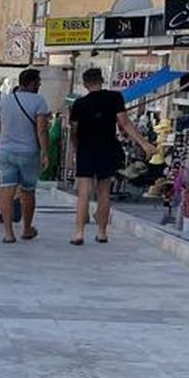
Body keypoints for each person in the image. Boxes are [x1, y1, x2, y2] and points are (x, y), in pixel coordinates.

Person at [68, 67, 155, 245]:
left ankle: (79, 233)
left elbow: (74, 131)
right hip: (107, 148)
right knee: (104, 192)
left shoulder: (79, 104)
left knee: (84, 193)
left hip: (86, 149)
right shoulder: (114, 98)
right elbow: (124, 123)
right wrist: (143, 143)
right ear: (102, 80)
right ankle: (101, 232)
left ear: (85, 84)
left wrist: (75, 149)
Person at [0, 69, 52, 244]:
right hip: (28, 152)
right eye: (38, 82)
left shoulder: (4, 101)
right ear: (32, 83)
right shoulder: (39, 101)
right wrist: (45, 153)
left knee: (6, 190)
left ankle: (8, 233)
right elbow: (41, 131)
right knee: (28, 191)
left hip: (5, 152)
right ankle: (27, 229)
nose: (40, 85)